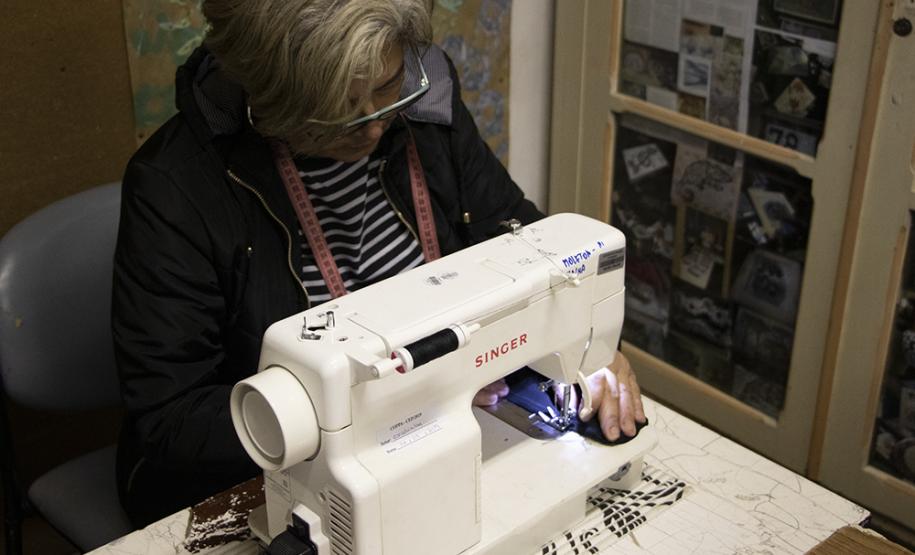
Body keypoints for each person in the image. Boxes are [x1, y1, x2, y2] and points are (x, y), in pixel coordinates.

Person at [112, 0, 646, 528]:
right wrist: (384, 406)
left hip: (439, 438)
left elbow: (519, 234)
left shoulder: (424, 110)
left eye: (387, 87)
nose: (371, 126)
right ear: (268, 100)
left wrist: (586, 340)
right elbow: (169, 423)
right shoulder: (177, 188)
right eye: (336, 111)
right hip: (269, 483)